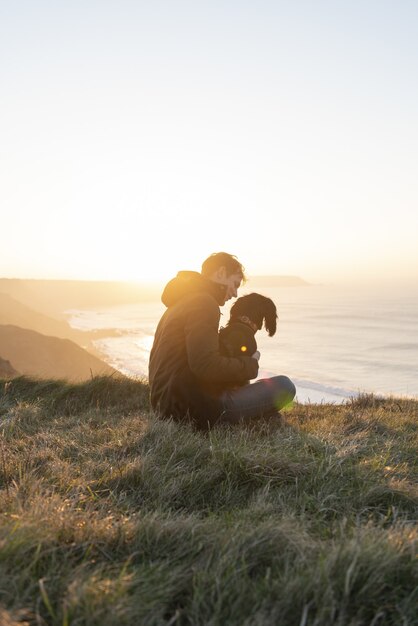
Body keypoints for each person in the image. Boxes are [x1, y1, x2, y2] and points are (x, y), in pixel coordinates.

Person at [148, 252, 296, 430]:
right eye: (234, 284)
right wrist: (250, 365)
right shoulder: (204, 303)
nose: (234, 294)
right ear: (221, 273)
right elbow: (205, 365)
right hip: (192, 410)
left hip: (165, 406)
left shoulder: (179, 303)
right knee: (285, 386)